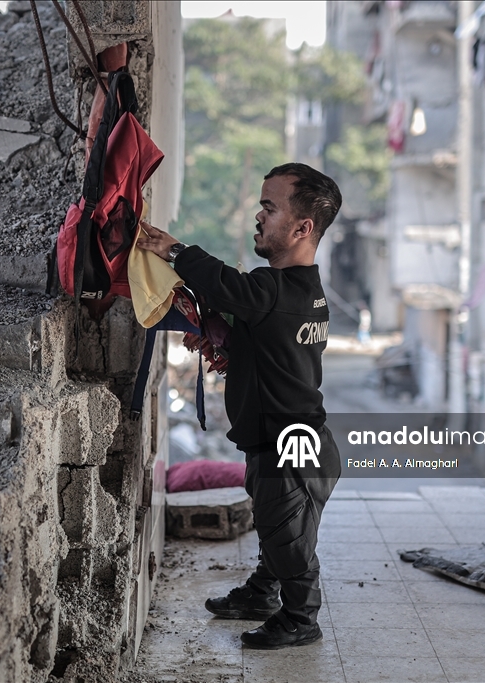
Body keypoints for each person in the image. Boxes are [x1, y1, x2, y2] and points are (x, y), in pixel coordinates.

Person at [137, 162, 342, 649]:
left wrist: (173, 249)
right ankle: (261, 593)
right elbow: (256, 329)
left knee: (288, 537)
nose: (258, 216)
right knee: (277, 527)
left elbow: (227, 285)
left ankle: (300, 617)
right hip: (293, 440)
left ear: (302, 228)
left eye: (269, 208)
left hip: (289, 445)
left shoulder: (272, 293)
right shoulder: (304, 294)